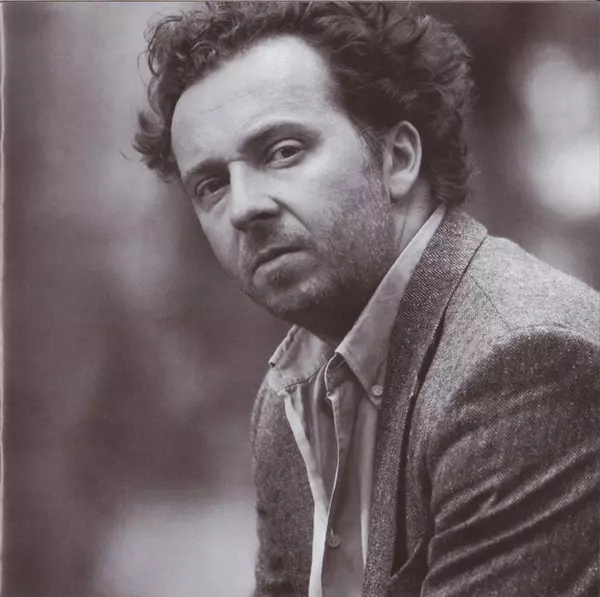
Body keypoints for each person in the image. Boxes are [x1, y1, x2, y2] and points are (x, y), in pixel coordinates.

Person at [134, 3, 599, 596]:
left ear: (398, 158)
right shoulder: (289, 397)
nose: (244, 206)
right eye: (212, 184)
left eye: (283, 151)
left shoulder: (523, 362)